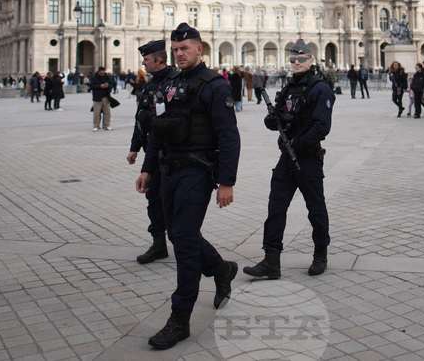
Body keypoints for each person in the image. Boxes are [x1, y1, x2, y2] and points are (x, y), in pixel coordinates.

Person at [136, 23, 241, 350]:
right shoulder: (170, 85)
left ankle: (180, 319)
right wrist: (147, 169)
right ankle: (221, 269)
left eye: (185, 48)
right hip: (168, 171)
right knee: (181, 234)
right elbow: (158, 130)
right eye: (175, 50)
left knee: (182, 241)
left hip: (197, 172)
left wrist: (226, 181)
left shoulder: (215, 86)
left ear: (199, 49)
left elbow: (229, 137)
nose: (180, 54)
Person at [244, 38, 334, 280]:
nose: (296, 62)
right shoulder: (288, 88)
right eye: (293, 59)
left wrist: (297, 143)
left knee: (315, 208)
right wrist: (272, 121)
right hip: (287, 157)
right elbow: (279, 116)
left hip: (308, 157)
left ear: (311, 60)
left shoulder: (320, 88)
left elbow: (322, 127)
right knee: (276, 206)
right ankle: (271, 260)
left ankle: (320, 253)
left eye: (301, 59)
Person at [128, 40, 175, 264]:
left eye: (146, 59)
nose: (143, 63)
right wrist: (134, 147)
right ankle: (158, 243)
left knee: (171, 199)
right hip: (152, 151)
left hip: (171, 152)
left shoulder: (174, 82)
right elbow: (141, 118)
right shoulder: (150, 83)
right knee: (153, 198)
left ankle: (184, 241)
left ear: (158, 59)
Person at [90, 66, 114, 132]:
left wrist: (107, 86)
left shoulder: (107, 77)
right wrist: (100, 86)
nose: (102, 74)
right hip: (97, 97)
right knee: (96, 113)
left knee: (107, 113)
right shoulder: (94, 77)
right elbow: (91, 86)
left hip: (106, 97)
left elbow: (112, 84)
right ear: (98, 72)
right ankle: (96, 126)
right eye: (101, 73)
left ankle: (106, 125)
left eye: (103, 73)